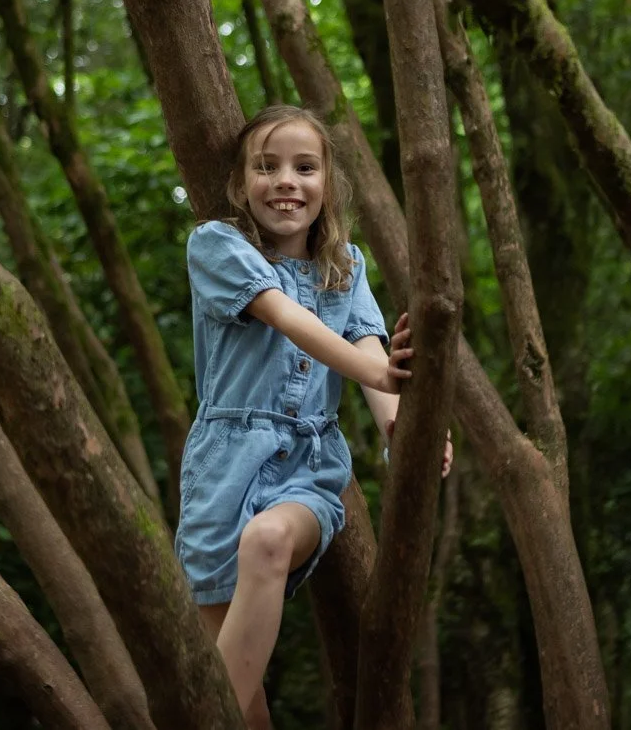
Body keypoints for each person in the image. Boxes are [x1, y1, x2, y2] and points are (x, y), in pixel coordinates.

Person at [178, 104, 452, 725]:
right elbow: (286, 318)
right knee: (242, 695)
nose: (286, 181)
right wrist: (382, 373)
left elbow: (366, 347)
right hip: (223, 470)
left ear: (327, 185)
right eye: (266, 167)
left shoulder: (344, 267)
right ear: (240, 184)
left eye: (305, 168)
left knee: (269, 540)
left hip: (306, 468)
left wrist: (400, 425)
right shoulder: (216, 246)